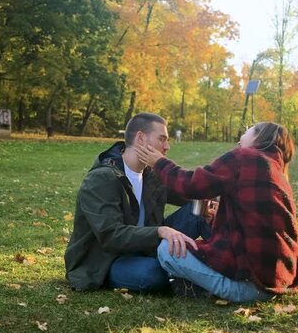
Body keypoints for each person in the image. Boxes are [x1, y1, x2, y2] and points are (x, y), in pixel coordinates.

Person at [136, 122, 298, 302]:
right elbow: (253, 220)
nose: (241, 137)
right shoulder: (277, 170)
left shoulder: (244, 157)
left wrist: (159, 163)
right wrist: (219, 217)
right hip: (280, 280)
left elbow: (191, 185)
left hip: (250, 287)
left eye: (248, 129)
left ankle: (204, 287)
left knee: (166, 250)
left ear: (259, 136)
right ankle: (289, 254)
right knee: (199, 228)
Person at [64, 113, 210, 293]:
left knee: (200, 209)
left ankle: (231, 265)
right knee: (151, 274)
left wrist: (214, 201)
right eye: (162, 139)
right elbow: (111, 236)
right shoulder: (101, 179)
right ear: (140, 138)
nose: (167, 146)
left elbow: (188, 191)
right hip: (109, 259)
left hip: (147, 248)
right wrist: (160, 231)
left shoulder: (152, 174)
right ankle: (184, 273)